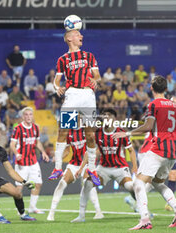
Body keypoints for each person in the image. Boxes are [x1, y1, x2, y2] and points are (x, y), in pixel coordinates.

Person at [113, 75, 176, 230]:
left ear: (151, 88)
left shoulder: (153, 105)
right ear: (166, 89)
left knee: (138, 183)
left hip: (158, 150)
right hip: (173, 152)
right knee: (158, 183)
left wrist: (127, 133)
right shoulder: (175, 107)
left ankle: (144, 219)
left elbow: (148, 126)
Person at [49, 29, 101, 186]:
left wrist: (96, 80)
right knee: (64, 130)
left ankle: (92, 169)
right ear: (70, 38)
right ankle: (58, 167)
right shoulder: (62, 59)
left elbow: (97, 75)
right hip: (72, 94)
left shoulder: (89, 56)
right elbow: (56, 80)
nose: (81, 36)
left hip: (88, 96)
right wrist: (56, 87)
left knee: (91, 136)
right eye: (78, 34)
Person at [71, 108, 137, 223]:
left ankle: (140, 207)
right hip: (103, 169)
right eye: (104, 115)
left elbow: (131, 150)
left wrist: (135, 166)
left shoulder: (121, 132)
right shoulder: (97, 133)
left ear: (114, 119)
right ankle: (81, 216)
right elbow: (90, 151)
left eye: (109, 115)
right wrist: (81, 168)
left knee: (131, 187)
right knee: (87, 184)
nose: (106, 117)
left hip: (120, 168)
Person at [47, 127, 103, 221]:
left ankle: (98, 212)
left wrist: (81, 168)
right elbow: (67, 150)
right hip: (74, 163)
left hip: (87, 163)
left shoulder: (87, 130)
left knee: (88, 183)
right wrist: (58, 157)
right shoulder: (69, 132)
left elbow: (92, 150)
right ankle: (51, 213)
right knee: (62, 183)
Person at [10, 107, 49, 214]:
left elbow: (37, 142)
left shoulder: (36, 128)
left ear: (32, 116)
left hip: (33, 161)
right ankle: (20, 209)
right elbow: (12, 144)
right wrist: (17, 153)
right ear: (23, 116)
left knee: (38, 184)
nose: (28, 116)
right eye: (26, 115)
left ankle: (32, 207)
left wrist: (43, 152)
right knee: (19, 187)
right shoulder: (18, 129)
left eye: (30, 114)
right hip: (21, 162)